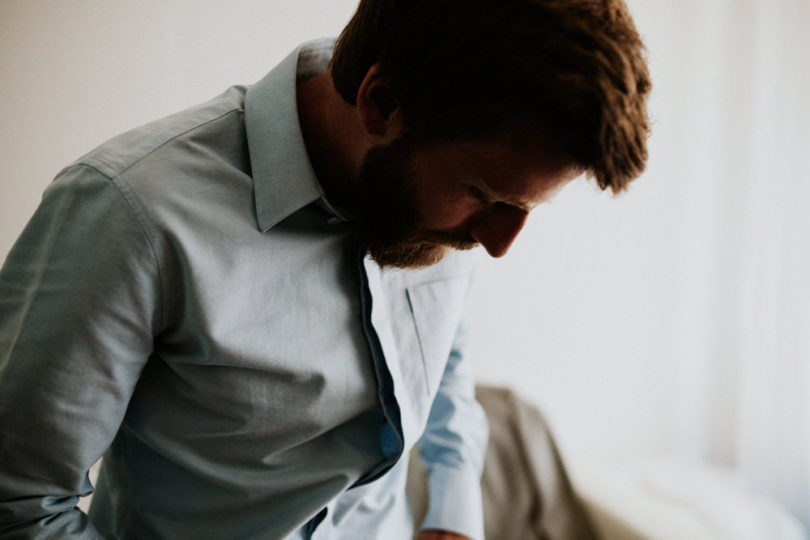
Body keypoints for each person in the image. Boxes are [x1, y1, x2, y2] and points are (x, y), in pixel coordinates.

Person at [0, 0, 650, 538]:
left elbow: (446, 364)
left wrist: (452, 512)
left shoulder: (440, 217)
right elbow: (20, 505)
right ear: (383, 102)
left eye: (525, 207)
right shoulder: (128, 213)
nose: (500, 243)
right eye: (486, 195)